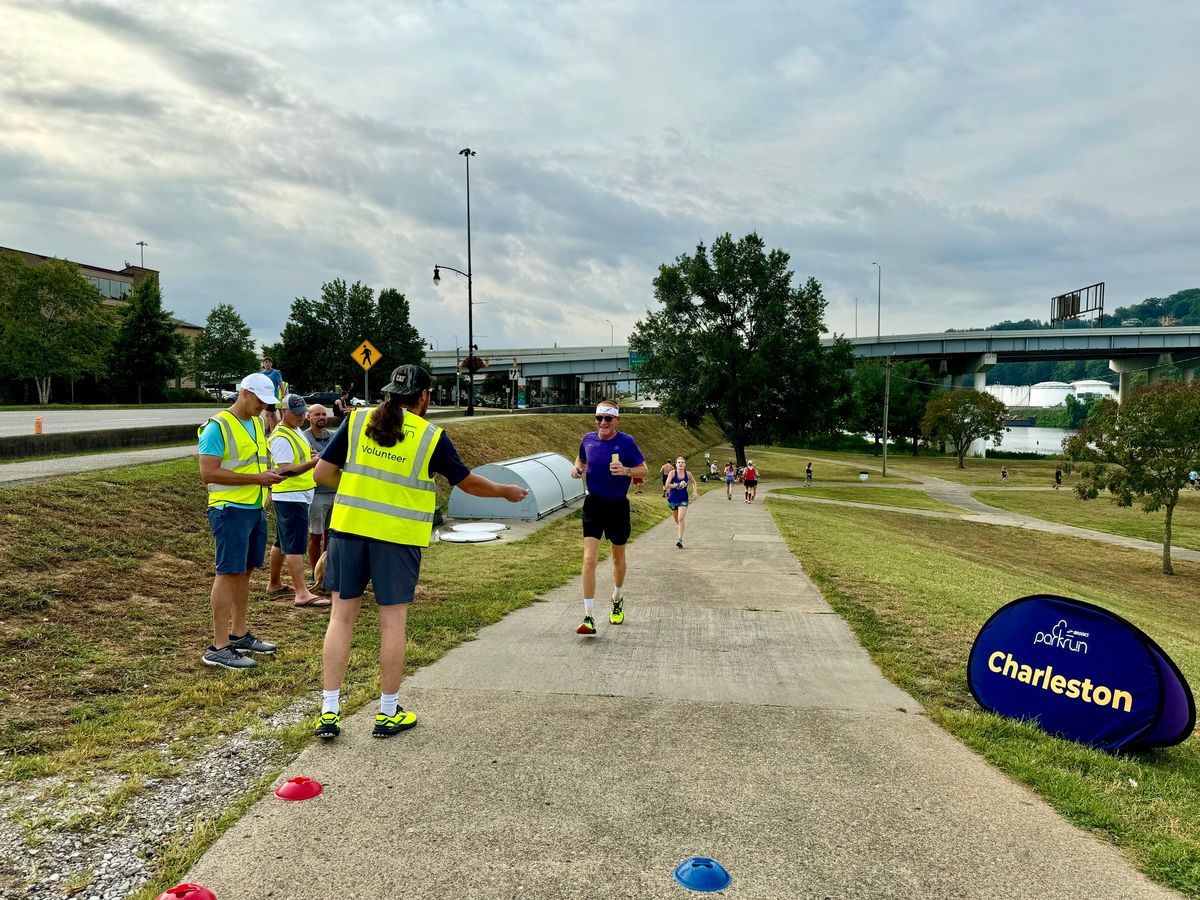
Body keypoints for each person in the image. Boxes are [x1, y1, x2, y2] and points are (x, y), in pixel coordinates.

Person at [312, 365, 527, 740]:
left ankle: (329, 712)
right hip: (396, 539)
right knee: (392, 625)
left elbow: (322, 475)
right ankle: (387, 712)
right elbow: (468, 482)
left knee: (341, 619)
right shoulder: (431, 437)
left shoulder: (356, 420)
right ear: (424, 396)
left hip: (347, 532)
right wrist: (505, 491)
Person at [196, 373, 287, 670]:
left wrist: (265, 484)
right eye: (261, 400)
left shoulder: (257, 423)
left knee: (244, 572)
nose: (264, 407)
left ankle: (239, 634)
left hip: (254, 507)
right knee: (228, 572)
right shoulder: (217, 426)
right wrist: (257, 479)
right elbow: (208, 473)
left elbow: (258, 462)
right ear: (245, 393)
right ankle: (218, 646)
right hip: (229, 509)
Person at [571, 400, 648, 635]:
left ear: (617, 420)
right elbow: (581, 459)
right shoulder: (588, 439)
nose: (602, 423)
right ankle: (588, 617)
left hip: (617, 505)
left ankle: (617, 597)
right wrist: (577, 469)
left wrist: (626, 471)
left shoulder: (626, 442)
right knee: (589, 560)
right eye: (599, 418)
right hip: (593, 504)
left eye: (607, 418)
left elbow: (643, 469)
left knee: (617, 558)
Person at [265, 395, 327, 608]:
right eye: (297, 413)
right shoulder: (281, 437)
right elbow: (284, 469)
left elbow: (295, 460)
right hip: (291, 495)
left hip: (296, 494)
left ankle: (274, 583)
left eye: (303, 412)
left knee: (281, 542)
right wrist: (313, 462)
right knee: (294, 545)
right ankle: (302, 593)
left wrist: (308, 457)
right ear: (284, 412)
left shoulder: (295, 430)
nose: (302, 416)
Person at [304, 404, 336, 579]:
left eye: (324, 414)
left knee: (331, 536)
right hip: (317, 494)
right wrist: (328, 456)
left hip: (336, 492)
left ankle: (328, 571)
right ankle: (314, 573)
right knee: (315, 536)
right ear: (309, 417)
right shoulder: (304, 437)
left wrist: (320, 456)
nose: (321, 417)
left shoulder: (334, 436)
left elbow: (340, 456)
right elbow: (310, 459)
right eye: (317, 414)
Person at [666, 455, 698, 548]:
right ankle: (681, 527)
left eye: (682, 462)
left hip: (683, 499)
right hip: (673, 499)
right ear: (675, 464)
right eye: (678, 462)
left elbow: (694, 482)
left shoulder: (688, 474)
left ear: (685, 464)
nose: (680, 464)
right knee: (677, 521)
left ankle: (680, 540)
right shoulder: (672, 473)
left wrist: (695, 491)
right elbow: (667, 485)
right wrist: (677, 485)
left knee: (680, 519)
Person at [260, 357, 284, 431]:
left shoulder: (275, 373)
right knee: (273, 415)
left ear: (271, 364)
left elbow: (281, 384)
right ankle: (276, 430)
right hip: (264, 397)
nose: (268, 364)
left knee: (267, 414)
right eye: (266, 362)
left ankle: (265, 431)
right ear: (263, 364)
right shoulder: (261, 374)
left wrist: (283, 395)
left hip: (272, 397)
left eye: (269, 362)